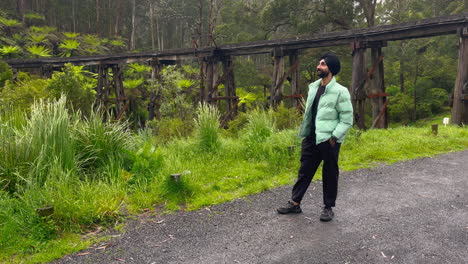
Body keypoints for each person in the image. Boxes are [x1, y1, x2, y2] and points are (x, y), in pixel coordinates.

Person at [277, 53, 353, 221]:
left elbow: (347, 119)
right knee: (304, 170)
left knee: (330, 172)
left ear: (331, 69)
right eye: (319, 64)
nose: (319, 66)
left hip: (329, 139)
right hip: (311, 136)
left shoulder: (341, 91)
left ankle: (328, 207)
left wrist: (334, 137)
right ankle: (295, 203)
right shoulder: (314, 87)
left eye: (323, 64)